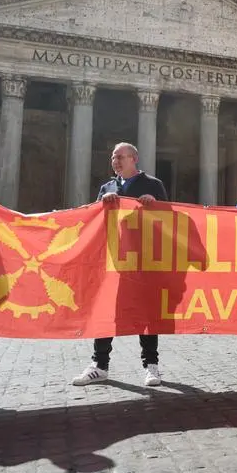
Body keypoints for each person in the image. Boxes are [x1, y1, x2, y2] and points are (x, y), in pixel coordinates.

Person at [73, 142, 169, 387]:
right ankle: (99, 365)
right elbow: (96, 220)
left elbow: (169, 220)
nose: (116, 161)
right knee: (105, 311)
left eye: (120, 157)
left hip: (143, 259)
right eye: (113, 157)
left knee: (146, 313)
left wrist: (154, 203)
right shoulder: (107, 187)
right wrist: (101, 203)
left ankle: (151, 366)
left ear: (134, 159)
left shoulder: (153, 185)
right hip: (113, 260)